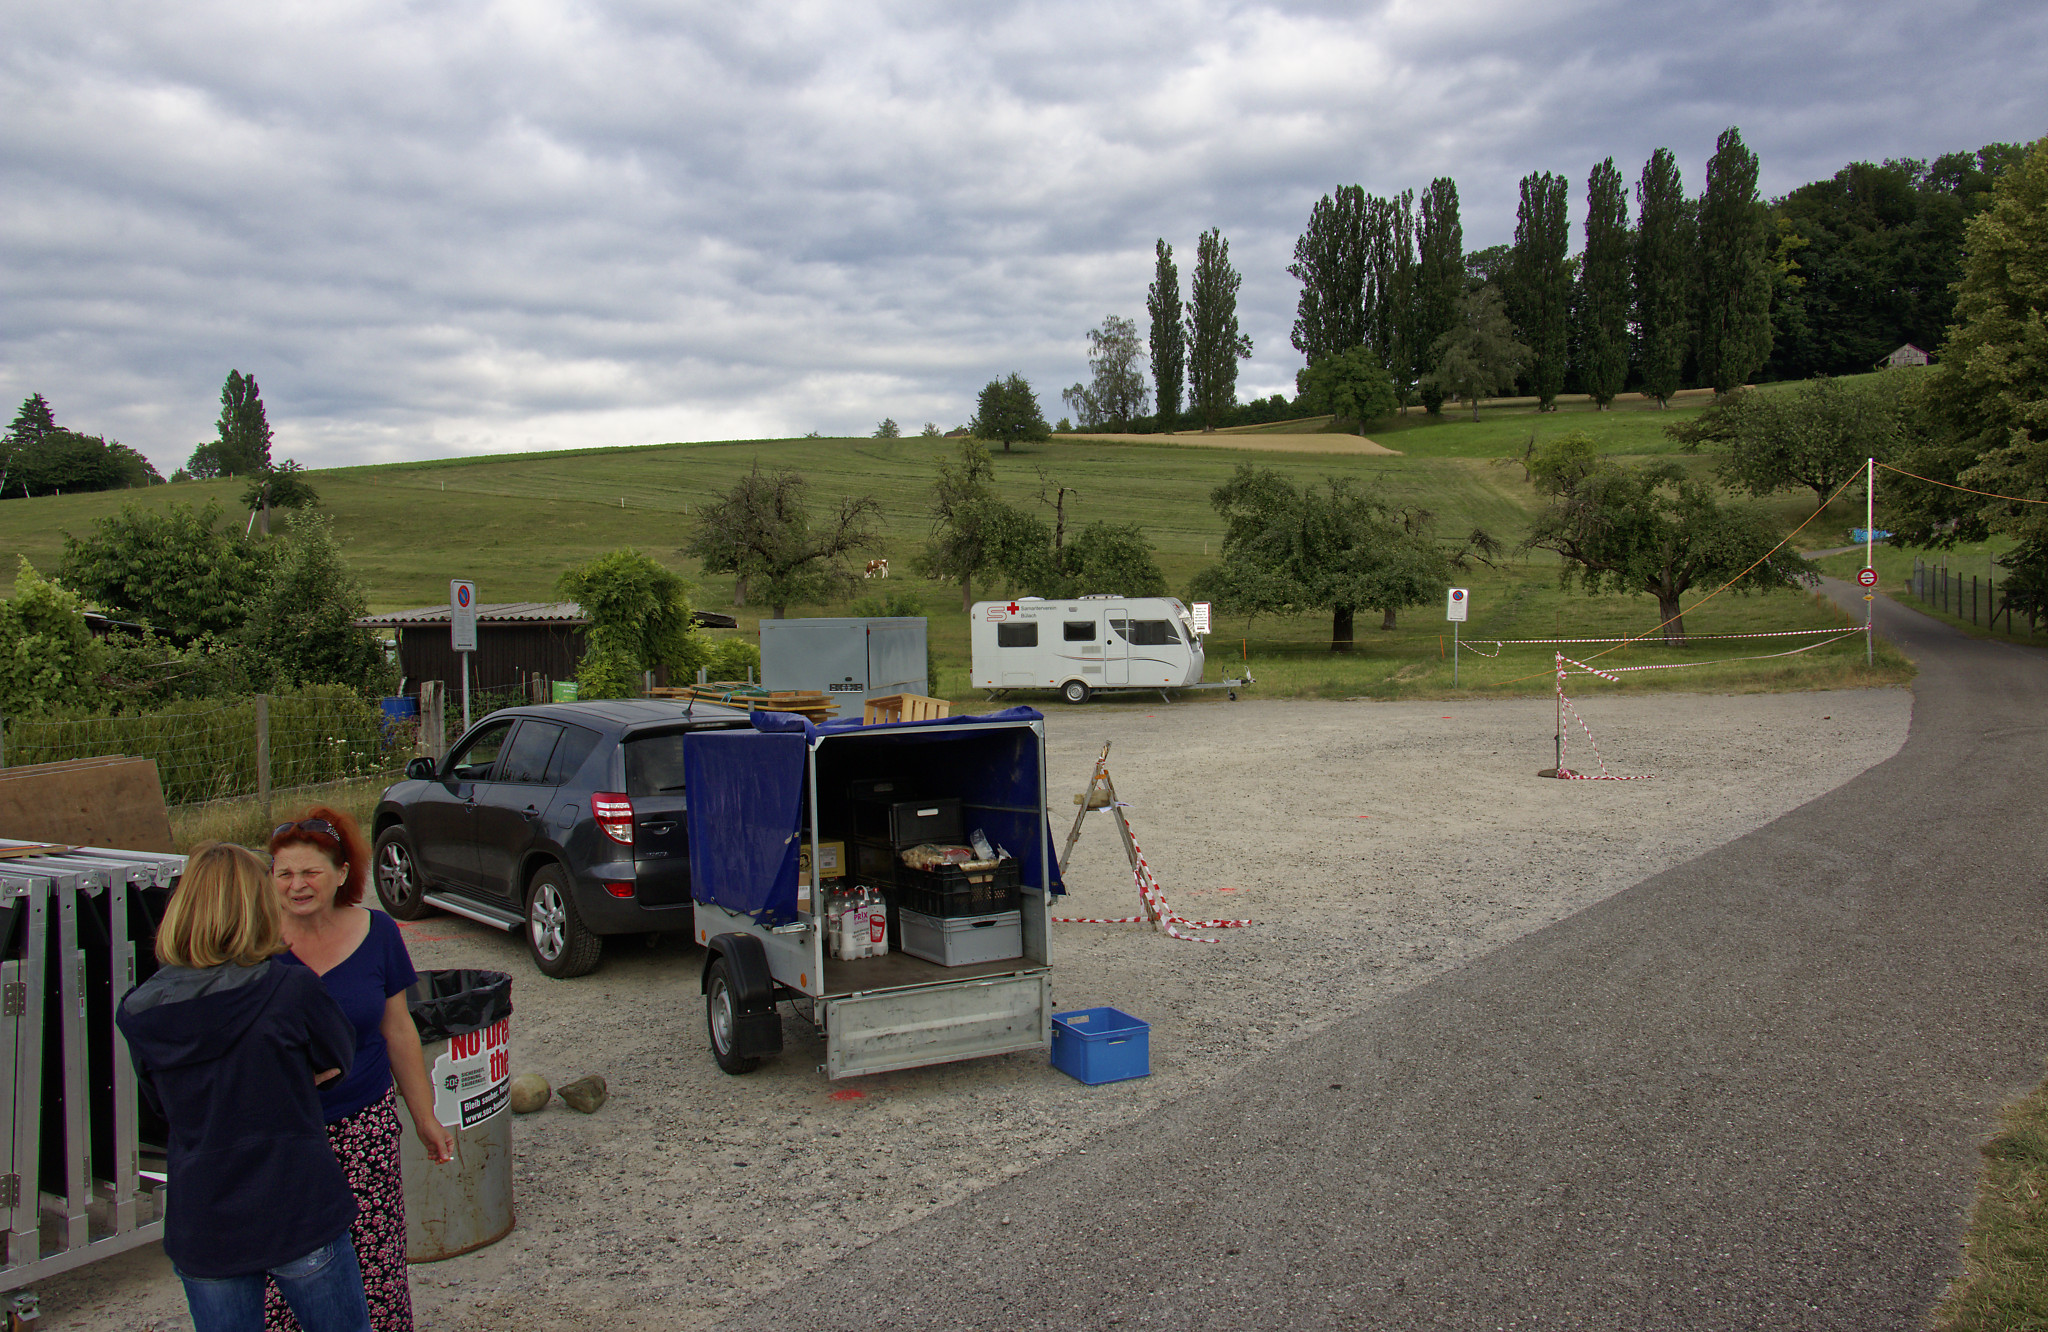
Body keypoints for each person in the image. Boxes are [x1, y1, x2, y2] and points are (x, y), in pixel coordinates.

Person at [117, 842, 372, 1332]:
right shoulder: (290, 990)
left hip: (205, 1219)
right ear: (258, 906)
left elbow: (162, 1108)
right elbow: (338, 1061)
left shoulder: (139, 1011)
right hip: (297, 1206)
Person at [264, 806, 455, 1332]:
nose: (297, 885)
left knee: (374, 1266)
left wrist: (424, 1116)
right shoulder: (253, 944)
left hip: (363, 1129)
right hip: (280, 1138)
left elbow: (398, 1029)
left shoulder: (378, 932)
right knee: (285, 1278)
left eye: (310, 872)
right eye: (284, 873)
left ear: (342, 873)